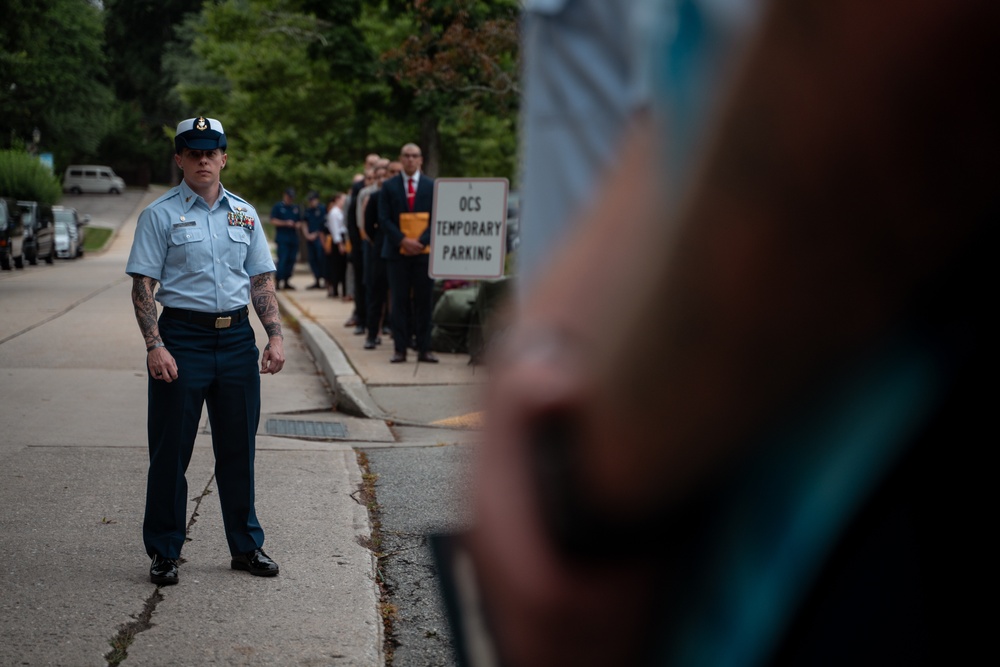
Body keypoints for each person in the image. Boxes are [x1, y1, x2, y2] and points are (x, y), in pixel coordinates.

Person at [447, 0, 996, 665]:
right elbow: (694, 85)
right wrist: (545, 349)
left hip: (821, 500)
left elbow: (892, 49)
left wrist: (593, 493)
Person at [126, 116, 284, 587]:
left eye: (211, 152)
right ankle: (165, 550)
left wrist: (273, 335)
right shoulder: (159, 214)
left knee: (239, 450)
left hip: (236, 340)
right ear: (179, 158)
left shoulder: (245, 214)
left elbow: (260, 279)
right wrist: (155, 344)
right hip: (183, 340)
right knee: (171, 451)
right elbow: (144, 286)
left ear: (224, 158)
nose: (202, 160)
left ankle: (246, 545)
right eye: (193, 152)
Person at [378, 143, 437, 363]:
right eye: (406, 156)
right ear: (401, 159)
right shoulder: (389, 186)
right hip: (397, 253)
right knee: (399, 302)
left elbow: (437, 216)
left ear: (421, 159)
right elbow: (383, 219)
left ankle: (424, 348)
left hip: (423, 253)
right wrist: (403, 240)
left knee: (424, 302)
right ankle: (400, 349)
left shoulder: (431, 186)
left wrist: (420, 242)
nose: (410, 159)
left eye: (414, 156)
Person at [363, 161, 399, 349]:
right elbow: (368, 225)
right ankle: (372, 333)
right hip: (380, 249)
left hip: (399, 251)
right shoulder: (375, 197)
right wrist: (377, 240)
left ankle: (399, 332)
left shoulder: (401, 196)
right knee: (376, 294)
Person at [270, 187, 301, 290]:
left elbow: (300, 221)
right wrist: (285, 223)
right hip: (283, 238)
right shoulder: (278, 207)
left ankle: (287, 280)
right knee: (282, 259)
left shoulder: (295, 208)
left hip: (293, 238)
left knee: (291, 260)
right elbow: (273, 220)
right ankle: (279, 280)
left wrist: (296, 225)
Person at [302, 190, 327, 289]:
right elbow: (304, 223)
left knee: (321, 259)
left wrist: (316, 234)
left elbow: (323, 225)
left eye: (313, 200)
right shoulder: (308, 211)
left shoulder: (322, 209)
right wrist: (307, 235)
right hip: (310, 238)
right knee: (313, 260)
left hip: (319, 238)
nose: (311, 202)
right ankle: (317, 280)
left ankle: (325, 280)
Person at [325, 192, 348, 298]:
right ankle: (335, 288)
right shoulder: (334, 213)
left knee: (342, 267)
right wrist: (340, 244)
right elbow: (335, 230)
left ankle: (342, 289)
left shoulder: (341, 211)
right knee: (337, 266)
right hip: (338, 241)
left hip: (343, 238)